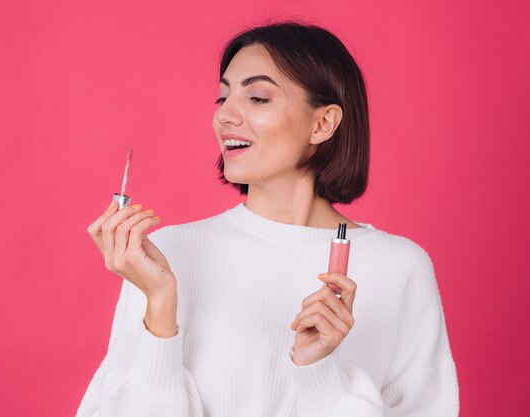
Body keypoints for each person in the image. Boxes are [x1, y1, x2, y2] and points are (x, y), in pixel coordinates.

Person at [77, 21, 460, 416]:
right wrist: (159, 307)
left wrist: (321, 375)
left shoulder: (399, 268)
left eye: (257, 98)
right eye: (222, 98)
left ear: (323, 123)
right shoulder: (165, 257)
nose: (225, 115)